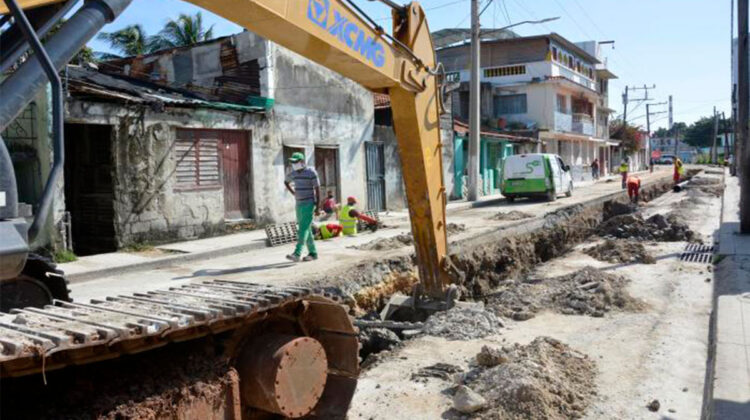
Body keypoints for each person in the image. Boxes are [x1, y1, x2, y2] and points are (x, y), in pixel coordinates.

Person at [284, 152, 320, 262]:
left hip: (309, 204)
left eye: (296, 162)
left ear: (302, 162)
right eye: (292, 162)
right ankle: (313, 253)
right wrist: (293, 193)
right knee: (306, 229)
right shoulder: (293, 173)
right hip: (298, 204)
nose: (294, 164)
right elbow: (286, 182)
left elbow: (317, 189)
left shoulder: (311, 172)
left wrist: (317, 206)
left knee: (303, 229)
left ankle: (297, 253)